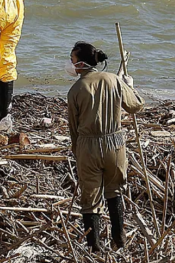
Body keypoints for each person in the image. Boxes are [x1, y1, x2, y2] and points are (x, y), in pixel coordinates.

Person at [66, 41, 144, 251]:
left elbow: (74, 128)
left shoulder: (76, 89)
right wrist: (129, 85)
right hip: (115, 145)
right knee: (115, 191)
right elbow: (136, 106)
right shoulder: (114, 80)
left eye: (72, 60)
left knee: (90, 198)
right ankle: (120, 240)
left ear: (81, 64)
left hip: (88, 146)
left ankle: (95, 247)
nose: (71, 64)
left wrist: (77, 152)